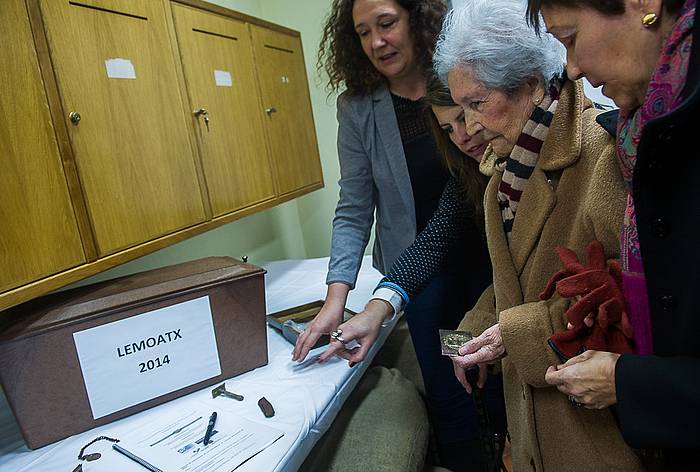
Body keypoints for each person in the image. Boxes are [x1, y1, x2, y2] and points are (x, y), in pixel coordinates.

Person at [429, 0, 644, 470]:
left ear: (529, 85)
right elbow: (519, 280)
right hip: (533, 432)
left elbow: (632, 307)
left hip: (595, 438)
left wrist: (514, 333)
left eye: (477, 104)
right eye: (460, 110)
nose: (468, 128)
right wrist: (474, 329)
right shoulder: (501, 175)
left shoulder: (604, 155)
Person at [291, 1, 493, 468]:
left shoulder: (458, 81)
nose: (376, 42)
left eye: (386, 24)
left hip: (485, 259)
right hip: (420, 279)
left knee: (494, 366)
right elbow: (354, 206)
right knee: (449, 376)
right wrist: (335, 298)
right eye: (363, 32)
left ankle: (505, 447)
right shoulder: (359, 108)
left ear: (416, 20)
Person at [525, 0, 700, 468]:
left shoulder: (612, 147)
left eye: (570, 38)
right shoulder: (638, 131)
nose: (574, 68)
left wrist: (630, 383)